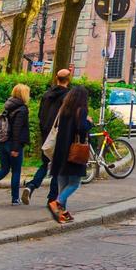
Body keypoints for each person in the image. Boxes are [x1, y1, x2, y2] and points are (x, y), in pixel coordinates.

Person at [22, 68, 70, 206]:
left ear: (56, 78)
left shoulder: (47, 95)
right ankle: (52, 198)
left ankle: (31, 186)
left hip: (46, 135)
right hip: (60, 136)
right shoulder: (68, 96)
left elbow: (40, 115)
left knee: (45, 164)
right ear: (68, 79)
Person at [47, 84, 93, 224]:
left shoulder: (64, 109)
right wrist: (89, 122)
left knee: (63, 183)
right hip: (74, 151)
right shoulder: (82, 109)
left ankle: (62, 214)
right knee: (74, 183)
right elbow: (81, 128)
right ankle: (57, 203)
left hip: (60, 150)